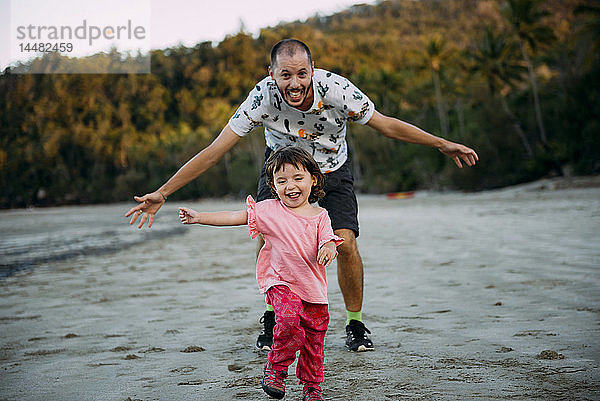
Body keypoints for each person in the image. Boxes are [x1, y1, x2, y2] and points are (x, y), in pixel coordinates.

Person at [126, 38, 479, 353]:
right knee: (265, 230)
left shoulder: (337, 90)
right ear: (272, 74)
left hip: (331, 171)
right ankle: (274, 313)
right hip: (281, 173)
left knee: (345, 242)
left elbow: (385, 123)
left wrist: (441, 143)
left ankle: (354, 322)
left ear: (312, 70)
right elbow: (216, 150)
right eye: (285, 75)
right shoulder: (261, 98)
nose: (294, 84)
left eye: (301, 74)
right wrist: (163, 192)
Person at [178, 146, 343, 401]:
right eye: (282, 180)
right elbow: (235, 216)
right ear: (274, 186)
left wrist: (330, 247)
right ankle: (276, 369)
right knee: (288, 321)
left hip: (314, 290)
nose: (291, 185)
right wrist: (200, 217)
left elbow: (328, 240)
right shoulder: (268, 210)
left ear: (314, 178)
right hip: (281, 282)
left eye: (298, 178)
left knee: (313, 343)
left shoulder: (321, 216)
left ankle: (311, 387)